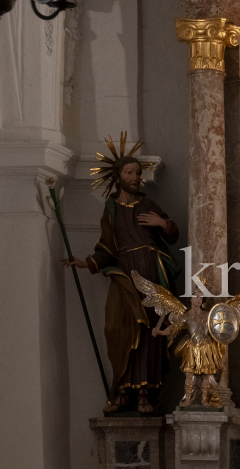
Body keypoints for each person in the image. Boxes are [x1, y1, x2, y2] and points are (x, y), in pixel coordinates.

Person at [62, 156, 180, 413]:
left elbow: (171, 233)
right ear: (118, 177)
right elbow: (107, 247)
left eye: (138, 172)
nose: (136, 177)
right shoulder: (111, 208)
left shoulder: (148, 204)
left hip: (152, 271)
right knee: (119, 327)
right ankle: (124, 391)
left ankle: (146, 395)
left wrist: (162, 223)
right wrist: (88, 263)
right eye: (129, 172)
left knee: (152, 330)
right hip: (126, 273)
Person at [151, 286, 223, 409]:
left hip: (205, 347)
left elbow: (218, 328)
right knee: (189, 375)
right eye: (196, 296)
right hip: (192, 348)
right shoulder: (186, 316)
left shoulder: (207, 315)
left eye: (201, 297)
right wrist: (161, 332)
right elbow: (175, 327)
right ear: (190, 299)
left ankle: (205, 401)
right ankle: (188, 400)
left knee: (206, 375)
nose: (199, 299)